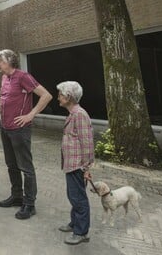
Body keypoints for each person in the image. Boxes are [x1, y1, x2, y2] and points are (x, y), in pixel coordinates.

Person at [0, 49, 52, 219]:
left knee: (25, 167)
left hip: (20, 129)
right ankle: (17, 196)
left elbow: (46, 95)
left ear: (8, 62)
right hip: (5, 128)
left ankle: (29, 203)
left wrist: (30, 115)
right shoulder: (4, 77)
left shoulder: (23, 76)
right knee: (11, 164)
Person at [56, 81, 94, 245]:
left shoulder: (79, 114)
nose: (58, 97)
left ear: (69, 97)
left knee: (78, 198)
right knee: (74, 196)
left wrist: (86, 167)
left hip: (77, 165)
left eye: (61, 94)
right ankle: (75, 223)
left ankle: (81, 232)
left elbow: (87, 142)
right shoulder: (72, 113)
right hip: (71, 164)